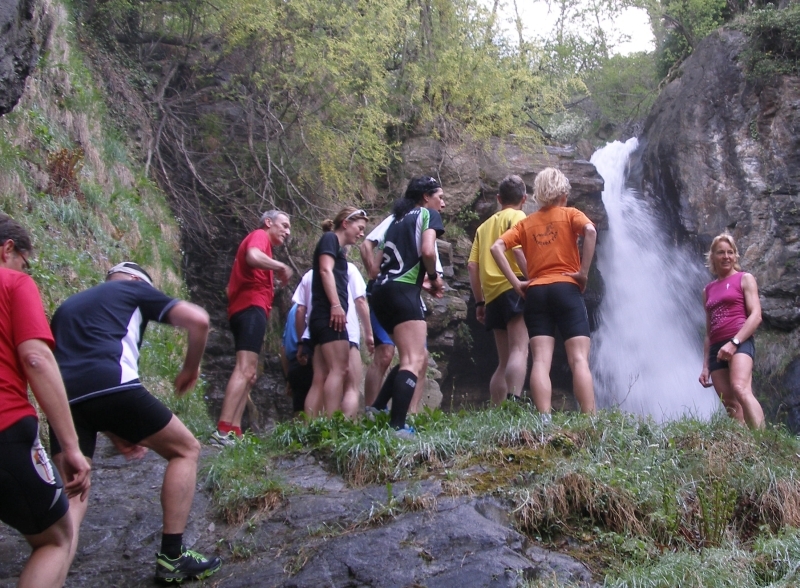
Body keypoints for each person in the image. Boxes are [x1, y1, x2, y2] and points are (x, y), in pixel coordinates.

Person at [49, 262, 221, 583]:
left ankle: (49, 570)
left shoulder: (68, 306)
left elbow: (79, 372)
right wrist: (191, 368)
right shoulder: (132, 288)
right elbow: (199, 320)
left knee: (73, 493)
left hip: (62, 400)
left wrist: (115, 429)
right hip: (114, 383)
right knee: (186, 449)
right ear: (136, 281)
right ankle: (173, 556)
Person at [0, 215, 91, 588]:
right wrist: (71, 446)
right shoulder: (12, 283)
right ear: (8, 249)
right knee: (57, 538)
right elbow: (36, 359)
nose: (25, 268)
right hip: (5, 428)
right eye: (24, 260)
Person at [490, 167, 597, 416]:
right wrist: (583, 272)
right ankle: (590, 419)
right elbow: (590, 231)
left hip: (536, 292)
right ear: (563, 193)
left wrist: (517, 284)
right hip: (566, 288)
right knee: (579, 358)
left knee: (540, 360)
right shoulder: (571, 214)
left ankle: (544, 420)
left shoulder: (526, 222)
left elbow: (497, 247)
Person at [369, 177, 446, 436]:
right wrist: (433, 278)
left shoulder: (396, 219)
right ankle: (397, 428)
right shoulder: (427, 214)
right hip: (403, 293)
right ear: (426, 197)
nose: (442, 204)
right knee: (413, 359)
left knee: (414, 357)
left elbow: (376, 264)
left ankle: (378, 407)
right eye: (440, 197)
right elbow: (427, 250)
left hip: (381, 292)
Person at [213, 210, 293, 446]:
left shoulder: (264, 246)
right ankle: (223, 430)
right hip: (250, 307)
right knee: (245, 369)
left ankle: (234, 431)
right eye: (284, 225)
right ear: (269, 223)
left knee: (250, 373)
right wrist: (279, 266)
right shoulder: (259, 235)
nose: (287, 232)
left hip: (247, 308)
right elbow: (252, 256)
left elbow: (232, 286)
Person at [468, 175, 529, 405]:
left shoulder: (483, 228)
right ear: (524, 198)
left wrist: (479, 302)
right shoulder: (519, 216)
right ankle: (513, 405)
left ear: (498, 198)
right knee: (520, 350)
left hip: (492, 296)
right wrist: (533, 279)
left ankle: (497, 409)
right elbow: (518, 251)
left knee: (503, 360)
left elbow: (472, 266)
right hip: (516, 287)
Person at [698, 233, 765, 429]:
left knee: (740, 388)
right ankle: (748, 450)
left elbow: (756, 316)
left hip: (740, 340)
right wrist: (705, 366)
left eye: (730, 252)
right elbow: (709, 331)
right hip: (716, 348)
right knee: (730, 404)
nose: (726, 256)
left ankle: (764, 441)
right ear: (713, 257)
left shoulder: (744, 278)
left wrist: (734, 342)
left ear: (735, 256)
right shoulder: (708, 290)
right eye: (721, 253)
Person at [308, 208, 369, 417]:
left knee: (322, 374)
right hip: (329, 315)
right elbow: (325, 270)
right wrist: (336, 305)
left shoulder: (337, 248)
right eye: (359, 228)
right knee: (339, 369)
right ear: (345, 223)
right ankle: (331, 426)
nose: (361, 234)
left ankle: (311, 428)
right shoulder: (329, 240)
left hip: (321, 315)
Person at [293, 260, 374, 418]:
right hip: (344, 331)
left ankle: (310, 428)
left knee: (318, 382)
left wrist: (301, 340)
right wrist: (369, 333)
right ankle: (343, 428)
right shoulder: (348, 269)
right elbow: (360, 301)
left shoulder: (310, 275)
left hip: (317, 335)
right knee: (351, 386)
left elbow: (300, 310)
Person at [279, 303, 314, 416]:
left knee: (299, 412)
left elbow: (283, 347)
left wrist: (288, 378)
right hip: (308, 361)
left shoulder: (292, 310)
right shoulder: (311, 303)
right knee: (315, 412)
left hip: (293, 366)